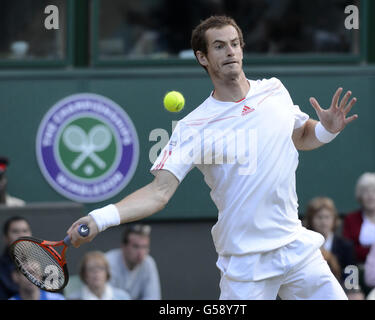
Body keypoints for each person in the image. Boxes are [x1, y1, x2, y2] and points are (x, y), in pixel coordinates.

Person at [66, 15, 358, 300]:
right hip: (245, 261)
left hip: (296, 246)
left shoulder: (274, 90)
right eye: (219, 46)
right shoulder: (193, 127)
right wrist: (98, 218)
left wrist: (326, 130)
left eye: (235, 44)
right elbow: (158, 193)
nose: (230, 51)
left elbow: (300, 136)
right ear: (202, 57)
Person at [342, 172, 375, 264]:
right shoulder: (351, 219)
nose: (370, 196)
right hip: (357, 267)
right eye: (365, 192)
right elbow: (347, 250)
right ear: (360, 196)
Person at [304, 196, 357, 283]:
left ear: (334, 219)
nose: (323, 221)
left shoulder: (346, 246)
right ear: (310, 220)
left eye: (327, 217)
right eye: (319, 217)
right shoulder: (305, 245)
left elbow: (351, 281)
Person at [104, 224, 161, 300]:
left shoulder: (149, 263)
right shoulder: (107, 261)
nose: (140, 252)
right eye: (136, 246)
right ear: (124, 246)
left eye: (144, 247)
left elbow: (153, 297)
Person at [0, 216, 32, 299]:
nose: (21, 235)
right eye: (15, 231)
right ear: (6, 238)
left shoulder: (44, 264)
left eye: (25, 231)